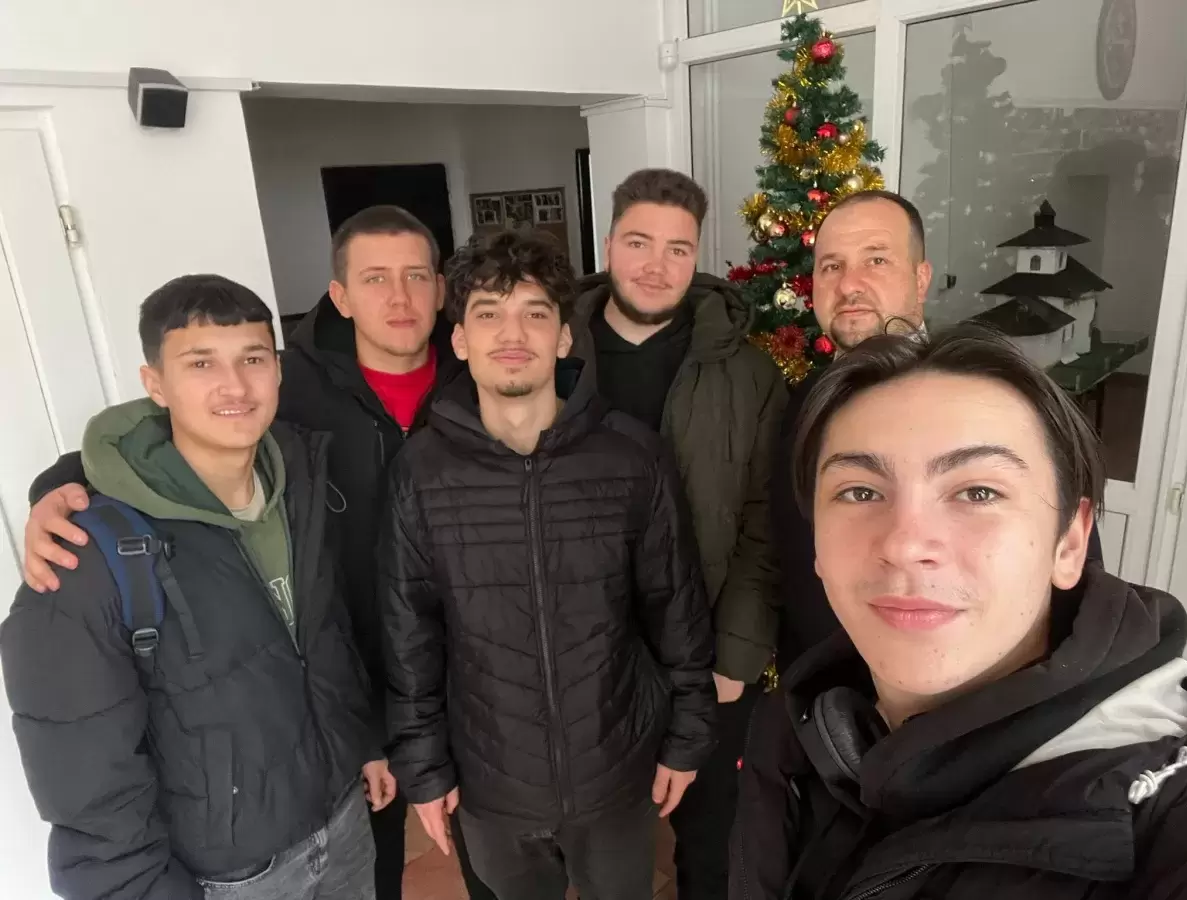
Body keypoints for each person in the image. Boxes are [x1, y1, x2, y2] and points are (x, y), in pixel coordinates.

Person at [17, 205, 494, 899]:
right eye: (375, 278)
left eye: (417, 275)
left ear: (441, 289)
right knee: (383, 858)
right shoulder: (289, 391)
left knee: (486, 844)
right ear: (339, 296)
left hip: (452, 674)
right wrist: (56, 494)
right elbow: (147, 448)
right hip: (351, 685)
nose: (400, 297)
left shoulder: (479, 372)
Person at [733, 324, 1187, 900]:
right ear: (817, 548)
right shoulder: (794, 731)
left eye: (978, 492)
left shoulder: (1171, 823)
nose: (905, 543)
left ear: (1070, 543)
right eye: (860, 492)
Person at [1, 275, 387, 899]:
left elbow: (324, 634)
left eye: (253, 359)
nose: (235, 386)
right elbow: (86, 779)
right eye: (201, 363)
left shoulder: (300, 481)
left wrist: (359, 742)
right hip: (234, 876)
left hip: (343, 826)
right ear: (155, 384)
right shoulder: (83, 554)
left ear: (278, 370)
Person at [380, 228, 717, 900]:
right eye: (488, 314)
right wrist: (424, 769)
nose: (513, 333)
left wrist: (687, 737)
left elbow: (674, 606)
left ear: (564, 337)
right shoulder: (420, 471)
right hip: (491, 786)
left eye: (534, 313)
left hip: (616, 776)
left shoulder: (631, 457)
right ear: (460, 340)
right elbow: (409, 631)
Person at [569, 168, 787, 899]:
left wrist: (737, 656)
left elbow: (765, 521)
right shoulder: (551, 354)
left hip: (706, 655)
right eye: (638, 242)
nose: (656, 266)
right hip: (580, 656)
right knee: (592, 847)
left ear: (697, 256)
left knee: (712, 842)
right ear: (608, 244)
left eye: (678, 248)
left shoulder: (748, 374)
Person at [770, 190, 1103, 670]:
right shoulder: (800, 402)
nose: (849, 284)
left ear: (921, 277)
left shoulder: (1001, 395)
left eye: (876, 260)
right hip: (825, 689)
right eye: (831, 266)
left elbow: (1078, 584)